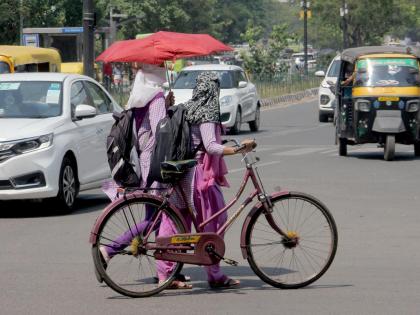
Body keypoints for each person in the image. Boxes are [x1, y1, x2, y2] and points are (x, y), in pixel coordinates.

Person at [156, 72, 256, 290]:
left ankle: (165, 274)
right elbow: (210, 146)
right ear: (213, 90)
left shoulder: (189, 107)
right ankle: (214, 274)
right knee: (214, 223)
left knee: (175, 224)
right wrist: (238, 149)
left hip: (181, 175)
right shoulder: (207, 112)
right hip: (200, 177)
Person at [97, 63, 173, 283]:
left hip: (144, 160)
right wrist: (167, 108)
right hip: (156, 162)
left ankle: (165, 270)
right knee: (158, 219)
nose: (161, 68)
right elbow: (162, 131)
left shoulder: (140, 96)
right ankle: (109, 250)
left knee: (155, 217)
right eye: (159, 66)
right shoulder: (156, 96)